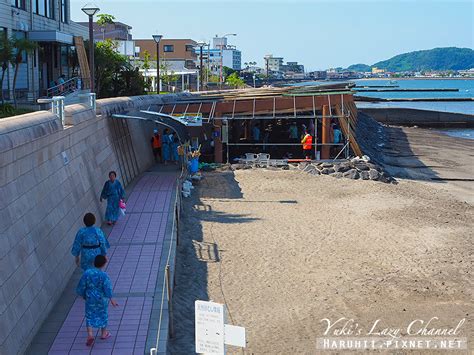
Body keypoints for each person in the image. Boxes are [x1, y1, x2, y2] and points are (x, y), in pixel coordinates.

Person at [76, 255, 118, 347]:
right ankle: (103, 333)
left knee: (89, 315)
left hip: (90, 297)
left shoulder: (87, 273)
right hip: (101, 298)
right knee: (103, 314)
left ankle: (90, 335)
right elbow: (107, 288)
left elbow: (82, 285)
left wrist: (83, 294)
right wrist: (112, 299)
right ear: (103, 264)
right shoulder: (104, 276)